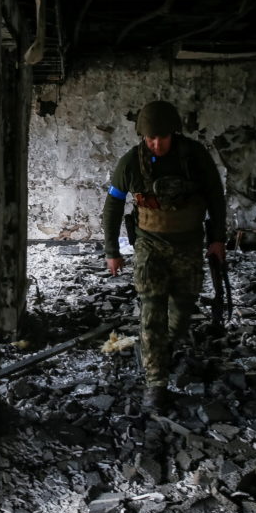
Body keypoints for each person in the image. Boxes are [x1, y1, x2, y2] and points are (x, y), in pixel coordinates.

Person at [102, 100, 226, 412]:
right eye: (150, 138)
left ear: (174, 133)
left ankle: (162, 347)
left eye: (162, 137)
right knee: (151, 310)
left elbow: (215, 197)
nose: (156, 144)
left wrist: (218, 239)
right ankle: (155, 383)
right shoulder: (131, 163)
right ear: (142, 136)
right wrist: (112, 251)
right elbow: (113, 205)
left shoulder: (195, 158)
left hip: (188, 245)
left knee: (183, 310)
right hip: (149, 247)